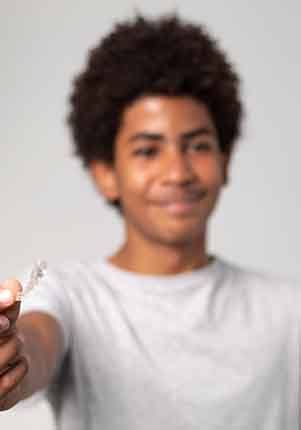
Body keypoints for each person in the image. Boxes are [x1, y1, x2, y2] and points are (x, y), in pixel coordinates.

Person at [0, 14, 299, 429]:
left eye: (197, 145)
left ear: (225, 162)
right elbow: (36, 344)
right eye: (147, 150)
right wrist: (12, 359)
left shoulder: (288, 312)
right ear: (105, 173)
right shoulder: (71, 297)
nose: (178, 172)